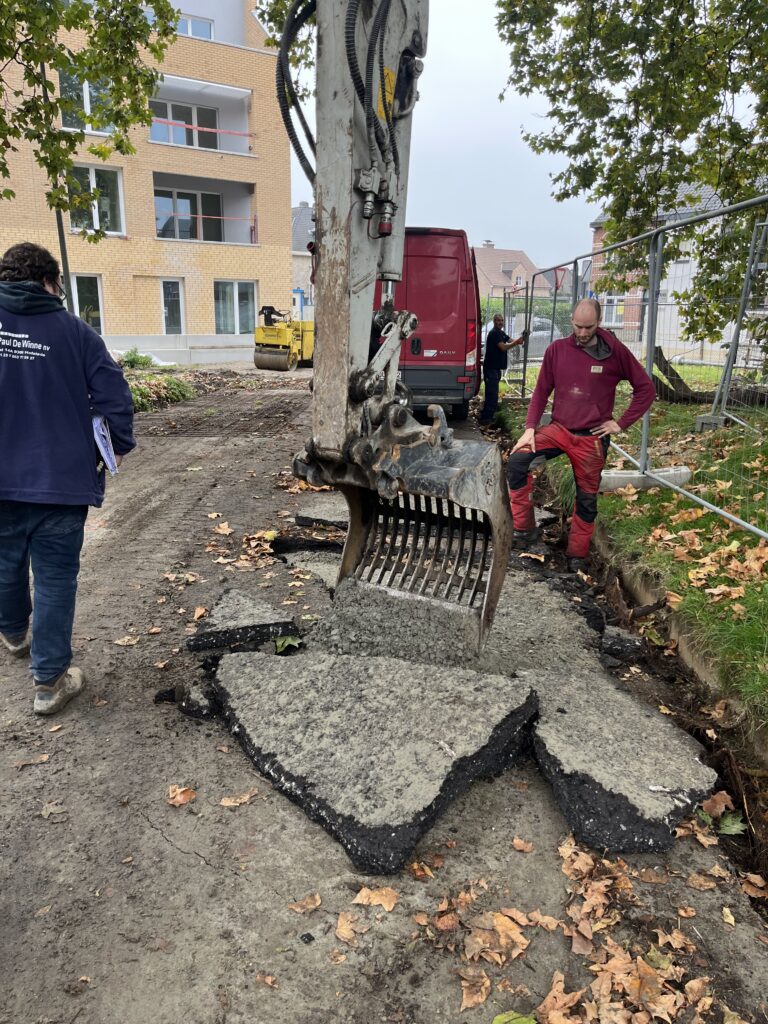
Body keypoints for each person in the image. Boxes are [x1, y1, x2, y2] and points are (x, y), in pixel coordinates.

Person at [0, 242, 135, 715]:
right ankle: (49, 682)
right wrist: (116, 445)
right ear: (49, 282)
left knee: (4, 561)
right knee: (56, 579)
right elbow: (115, 399)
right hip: (60, 481)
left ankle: (14, 633)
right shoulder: (76, 333)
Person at [507, 298, 655, 572]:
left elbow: (646, 389)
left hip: (591, 438)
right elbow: (541, 391)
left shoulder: (614, 352)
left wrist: (620, 424)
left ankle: (577, 555)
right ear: (571, 322)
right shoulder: (557, 350)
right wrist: (529, 429)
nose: (583, 333)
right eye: (578, 326)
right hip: (559, 429)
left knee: (587, 498)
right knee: (517, 462)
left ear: (599, 323)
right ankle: (524, 531)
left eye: (589, 327)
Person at [478, 313, 525, 424]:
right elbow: (503, 347)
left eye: (502, 320)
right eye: (498, 320)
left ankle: (488, 416)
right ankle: (486, 419)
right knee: (491, 395)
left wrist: (522, 337)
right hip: (491, 369)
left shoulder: (501, 333)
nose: (500, 322)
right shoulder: (494, 333)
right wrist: (516, 342)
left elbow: (512, 341)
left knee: (493, 394)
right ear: (494, 322)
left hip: (496, 369)